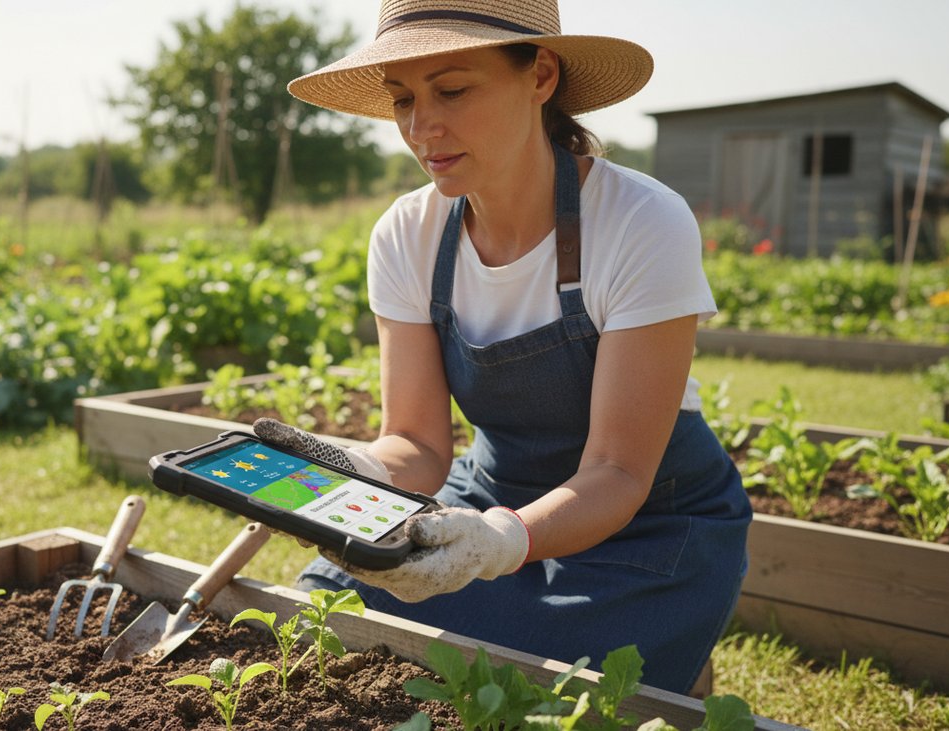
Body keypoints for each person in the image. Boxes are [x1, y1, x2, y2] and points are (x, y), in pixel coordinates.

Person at [254, 0, 751, 695]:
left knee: (552, 685)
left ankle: (678, 656)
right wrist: (350, 467)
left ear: (541, 74)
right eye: (403, 99)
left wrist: (500, 542)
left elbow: (615, 471)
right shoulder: (408, 235)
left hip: (649, 520)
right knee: (331, 603)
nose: (422, 128)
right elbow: (418, 444)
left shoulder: (643, 222)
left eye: (452, 90)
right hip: (487, 497)